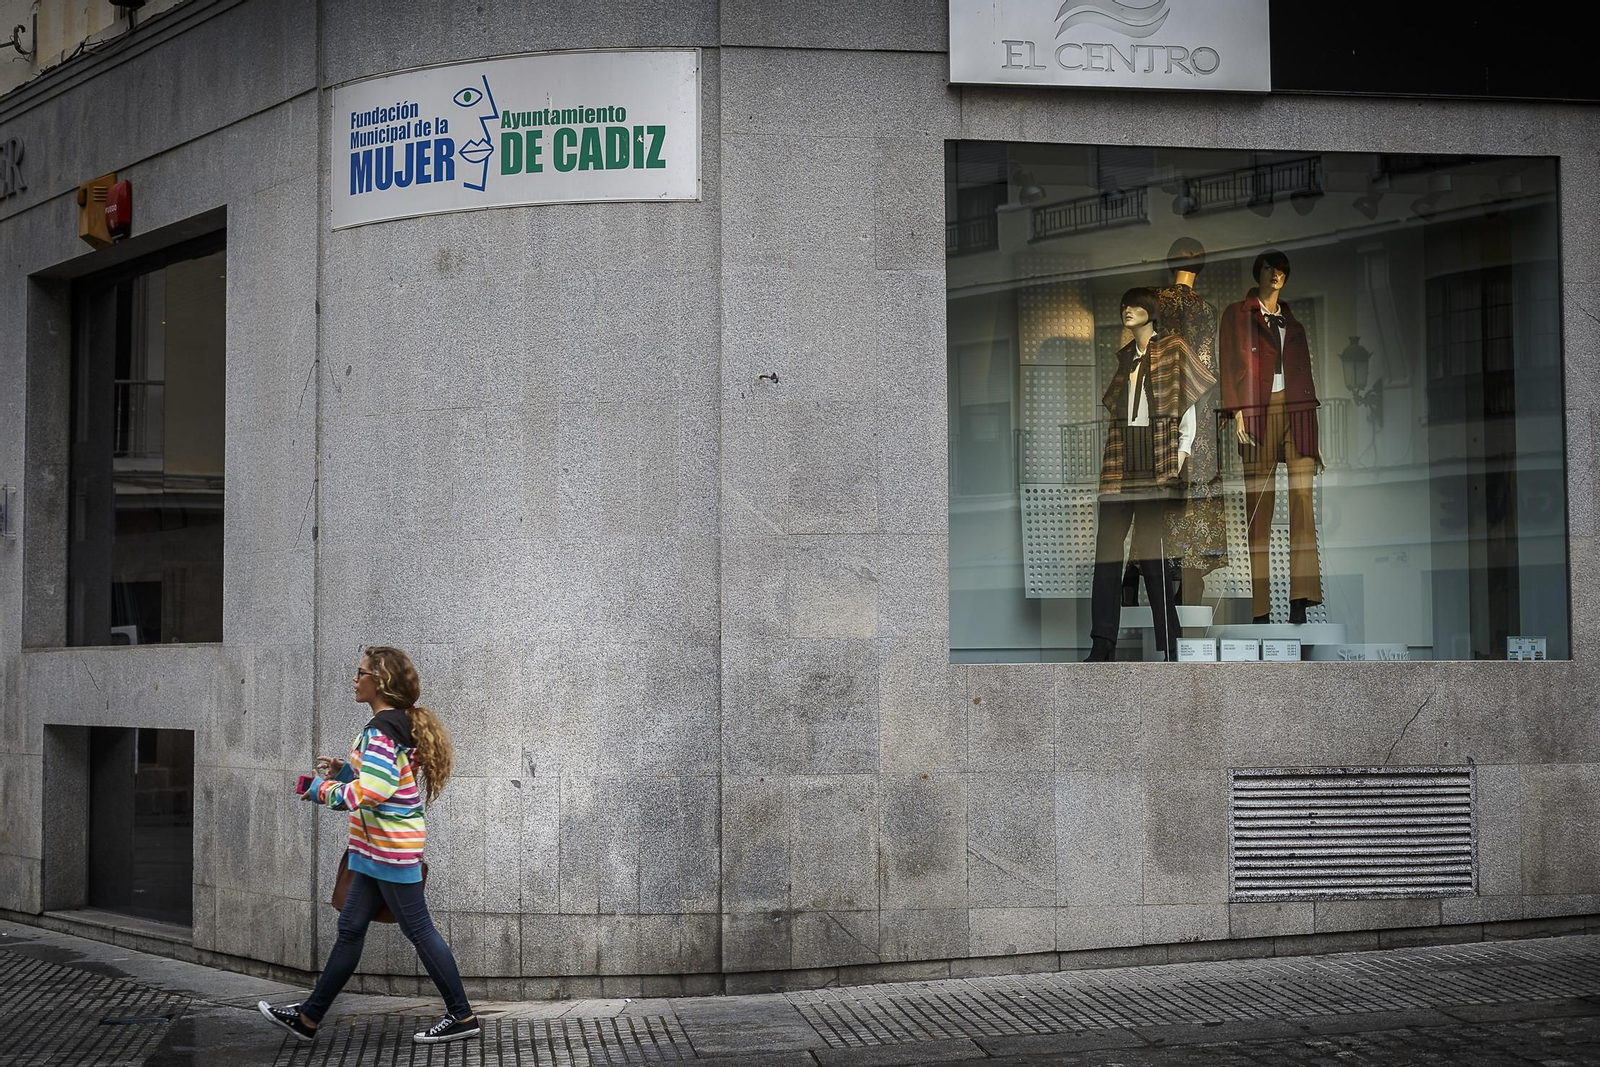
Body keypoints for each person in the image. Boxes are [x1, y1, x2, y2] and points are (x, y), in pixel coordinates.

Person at [257, 646, 478, 1045]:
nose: (354, 680)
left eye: (360, 673)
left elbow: (373, 790)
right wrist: (344, 771)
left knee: (420, 930)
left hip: (389, 849)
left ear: (380, 682)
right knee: (350, 928)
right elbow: (385, 779)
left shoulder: (380, 730)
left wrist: (320, 790)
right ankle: (308, 1018)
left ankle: (461, 1016)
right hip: (378, 849)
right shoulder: (394, 724)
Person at [1086, 288, 1216, 662]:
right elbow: (1118, 408)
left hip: (1157, 456)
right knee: (1107, 555)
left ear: (1151, 313)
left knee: (1154, 555)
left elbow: (1187, 401)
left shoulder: (1172, 348)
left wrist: (1182, 451)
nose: (1127, 310)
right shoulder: (1126, 357)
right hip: (1122, 458)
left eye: (1135, 306)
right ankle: (1102, 644)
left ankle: (1170, 645)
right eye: (1124, 305)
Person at [1218, 249, 1324, 624]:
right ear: (1258, 273)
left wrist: (1314, 435)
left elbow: (1304, 373)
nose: (1276, 275)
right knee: (1258, 512)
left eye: (1281, 271)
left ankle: (1301, 601)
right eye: (1269, 269)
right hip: (1258, 411)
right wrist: (1237, 411)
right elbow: (1228, 364)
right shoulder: (1237, 313)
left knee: (1302, 505)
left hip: (1298, 412)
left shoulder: (1292, 322)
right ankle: (1260, 609)